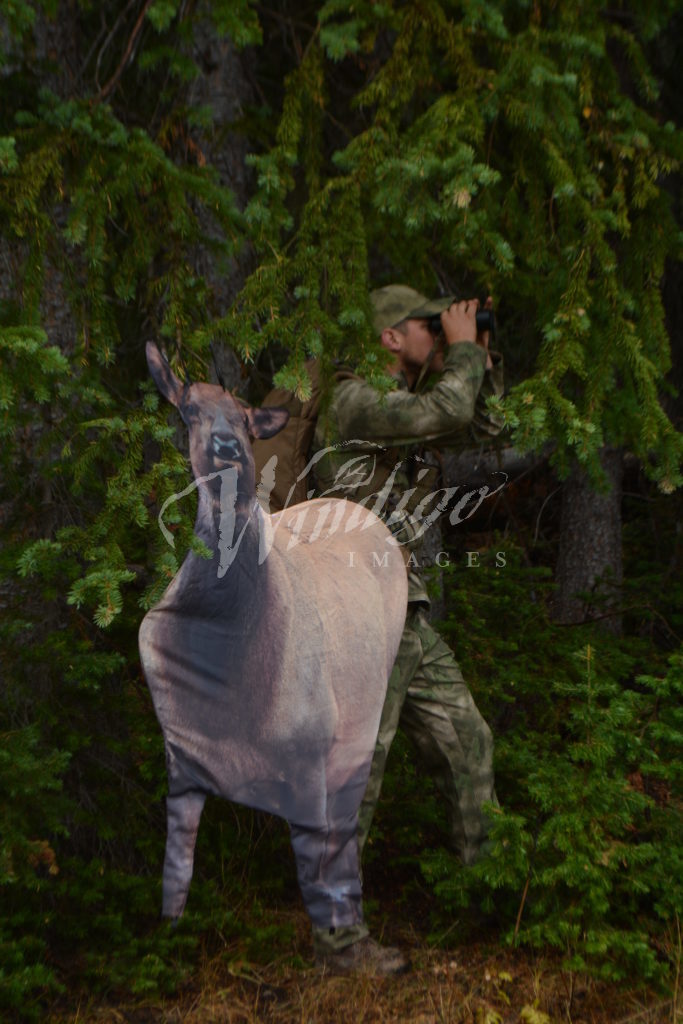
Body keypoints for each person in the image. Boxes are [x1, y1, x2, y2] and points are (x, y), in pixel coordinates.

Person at [308, 284, 504, 970]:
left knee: (467, 741)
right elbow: (445, 410)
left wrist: (475, 354)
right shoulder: (353, 400)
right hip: (361, 611)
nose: (435, 331)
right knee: (357, 774)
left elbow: (482, 426)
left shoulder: (407, 402)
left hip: (406, 613)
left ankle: (487, 900)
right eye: (426, 324)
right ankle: (336, 940)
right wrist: (460, 355)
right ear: (390, 337)